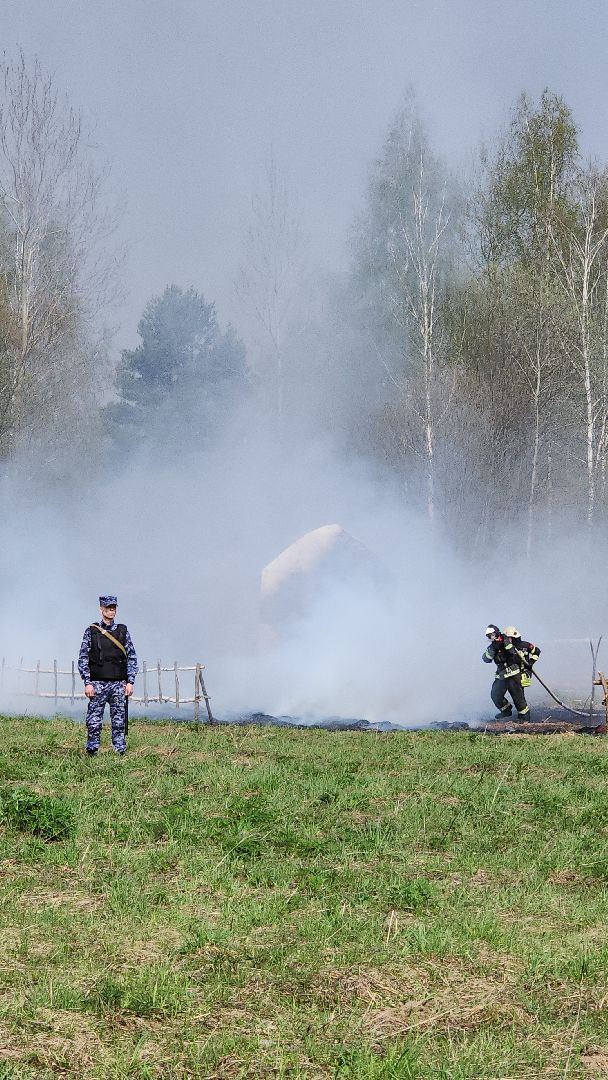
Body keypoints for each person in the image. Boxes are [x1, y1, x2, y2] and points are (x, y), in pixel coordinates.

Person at [78, 595, 138, 755]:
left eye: (114, 607)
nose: (111, 610)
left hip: (119, 684)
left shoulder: (123, 631)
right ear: (101, 608)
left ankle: (119, 751)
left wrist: (130, 681)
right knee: (94, 721)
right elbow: (83, 657)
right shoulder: (92, 631)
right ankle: (92, 751)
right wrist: (87, 683)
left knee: (119, 720)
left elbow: (131, 656)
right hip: (97, 684)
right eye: (108, 607)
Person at [482, 623, 531, 719]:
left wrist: (503, 643)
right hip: (501, 676)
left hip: (514, 675)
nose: (490, 637)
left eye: (491, 635)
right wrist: (493, 648)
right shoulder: (492, 646)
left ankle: (524, 717)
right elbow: (486, 659)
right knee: (495, 695)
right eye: (488, 636)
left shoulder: (506, 640)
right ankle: (506, 710)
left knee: (518, 698)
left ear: (496, 633)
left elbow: (512, 652)